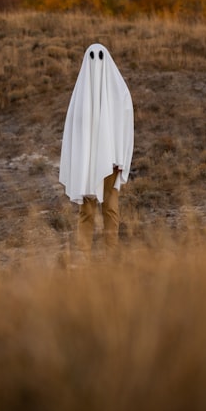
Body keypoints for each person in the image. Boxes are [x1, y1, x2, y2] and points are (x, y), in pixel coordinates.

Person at [59, 43, 133, 256]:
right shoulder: (79, 99)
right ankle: (84, 256)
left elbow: (125, 124)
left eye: (100, 56)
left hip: (110, 162)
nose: (96, 61)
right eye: (92, 57)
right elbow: (73, 134)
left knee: (110, 207)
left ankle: (112, 253)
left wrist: (120, 157)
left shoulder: (120, 94)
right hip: (87, 164)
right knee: (87, 209)